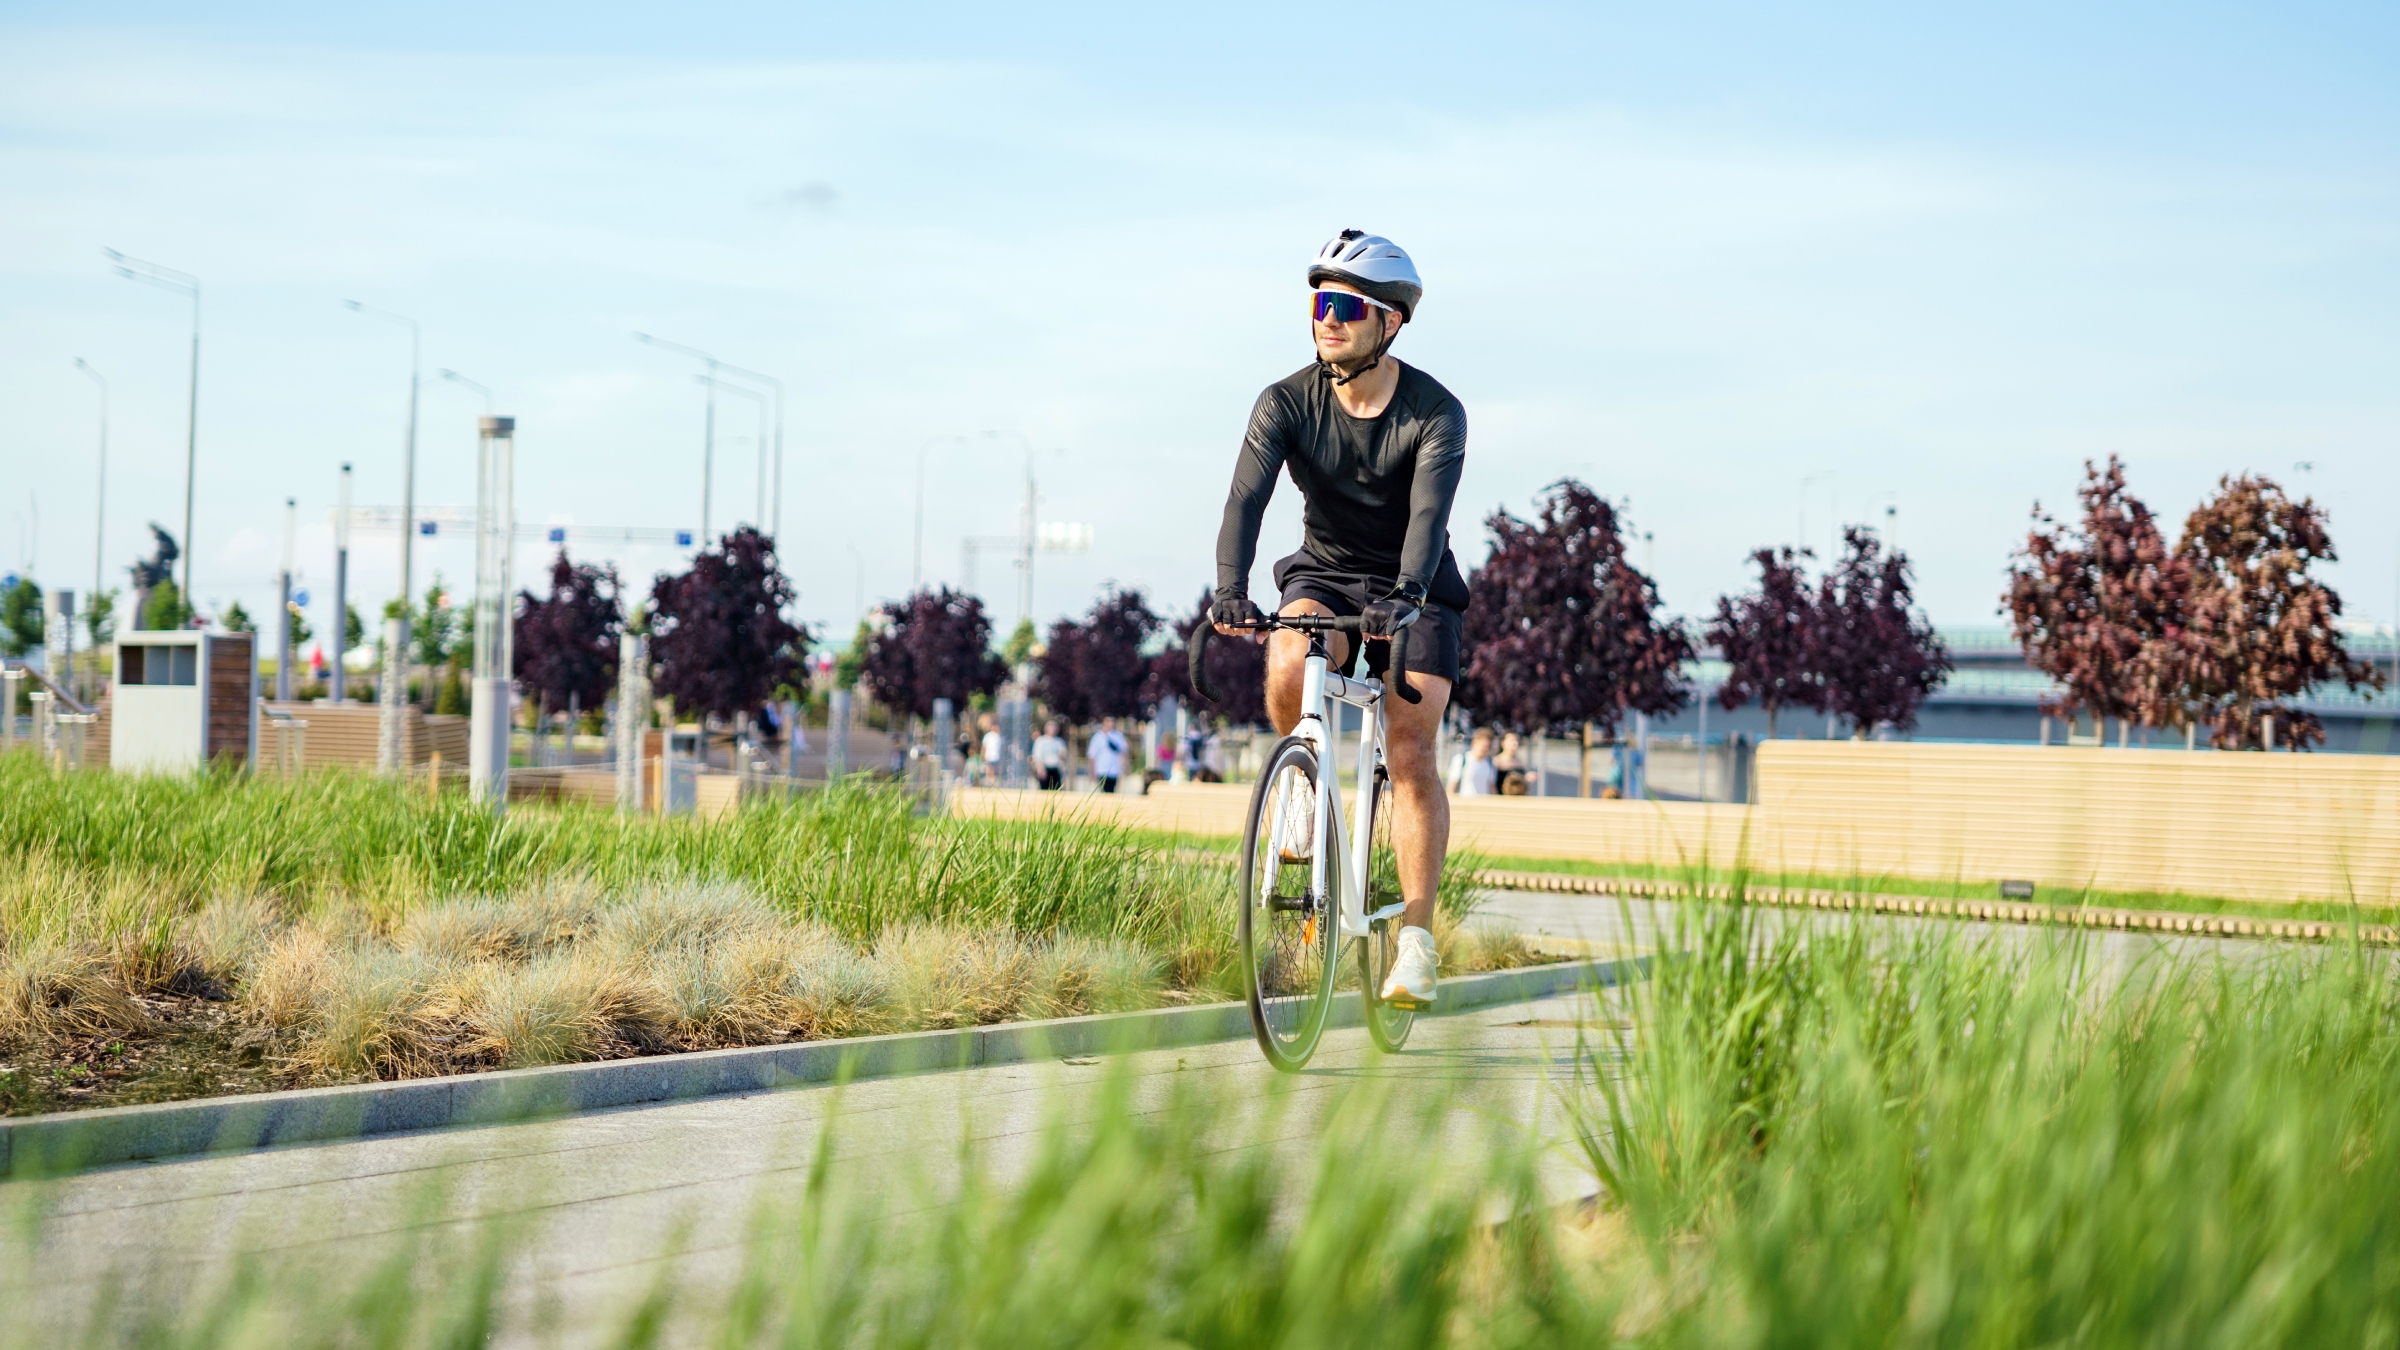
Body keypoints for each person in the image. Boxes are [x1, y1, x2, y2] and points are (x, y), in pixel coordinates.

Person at [1211, 229, 1464, 1011]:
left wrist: (1409, 595)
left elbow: (1428, 517)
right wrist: (1229, 587)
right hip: (1323, 573)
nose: (1328, 320)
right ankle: (1300, 788)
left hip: (1412, 587)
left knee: (1412, 746)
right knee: (1290, 657)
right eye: (1320, 303)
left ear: (1388, 322)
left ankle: (1415, 943)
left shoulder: (1435, 412)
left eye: (1346, 306)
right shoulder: (1285, 400)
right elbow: (1245, 500)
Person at [1088, 716, 1127, 793]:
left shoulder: (1118, 736)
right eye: (1108, 721)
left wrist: (1125, 768)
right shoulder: (1097, 737)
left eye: (1112, 721)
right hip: (1102, 770)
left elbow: (1123, 753)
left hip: (1114, 771)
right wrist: (1092, 772)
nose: (1111, 723)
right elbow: (1092, 756)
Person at [1454, 727, 1498, 796]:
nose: (1485, 749)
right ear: (1474, 743)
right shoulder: (1461, 759)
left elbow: (1492, 787)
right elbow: (1452, 785)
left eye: (1488, 747)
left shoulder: (1490, 763)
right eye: (1483, 746)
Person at [1031, 720, 1068, 791]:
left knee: (1056, 791)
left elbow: (1063, 756)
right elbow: (1037, 757)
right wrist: (1040, 769)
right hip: (1045, 768)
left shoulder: (1059, 741)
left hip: (1055, 769)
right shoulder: (1041, 741)